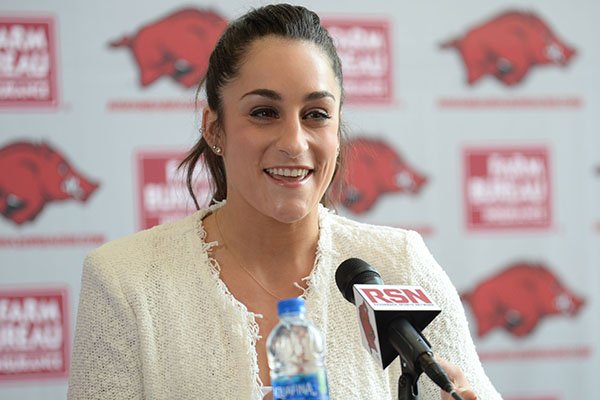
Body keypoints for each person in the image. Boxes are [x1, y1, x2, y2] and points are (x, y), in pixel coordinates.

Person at [68, 3, 502, 400]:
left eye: (315, 115)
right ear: (214, 128)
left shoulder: (399, 263)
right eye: (263, 113)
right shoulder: (125, 282)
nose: (294, 143)